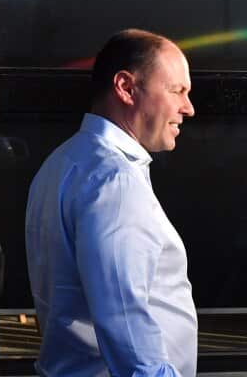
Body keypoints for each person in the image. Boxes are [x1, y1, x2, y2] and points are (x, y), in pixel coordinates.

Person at [25, 29, 198, 377]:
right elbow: (123, 315)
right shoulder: (113, 180)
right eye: (177, 90)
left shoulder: (62, 162)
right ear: (126, 88)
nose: (188, 108)